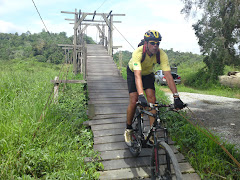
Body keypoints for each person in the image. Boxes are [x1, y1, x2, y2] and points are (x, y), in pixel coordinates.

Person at [124, 30, 185, 146]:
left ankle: (152, 133)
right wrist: (141, 95)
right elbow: (137, 75)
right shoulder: (138, 53)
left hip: (147, 74)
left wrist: (176, 97)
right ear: (146, 43)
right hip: (134, 73)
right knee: (133, 99)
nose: (155, 46)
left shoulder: (161, 54)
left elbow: (168, 76)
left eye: (157, 43)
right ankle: (128, 129)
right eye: (152, 43)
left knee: (152, 101)